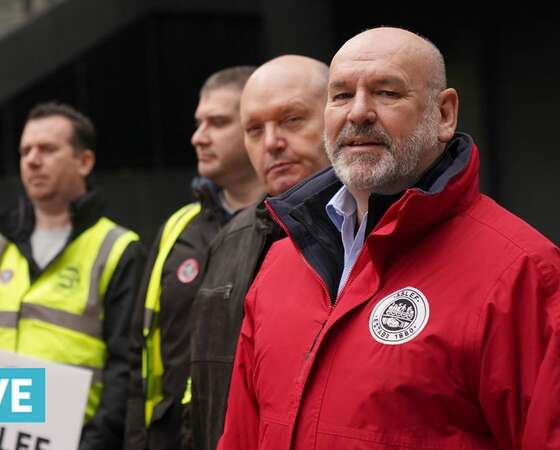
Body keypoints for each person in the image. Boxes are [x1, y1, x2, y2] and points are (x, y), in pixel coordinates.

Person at [219, 27, 560, 450]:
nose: (358, 113)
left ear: (445, 114)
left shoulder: (525, 272)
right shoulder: (281, 263)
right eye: (341, 96)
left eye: (386, 93)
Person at [189, 55, 331, 450]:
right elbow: (199, 394)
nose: (272, 143)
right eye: (254, 129)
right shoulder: (229, 240)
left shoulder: (378, 237)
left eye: (292, 120)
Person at [0, 102, 145, 450]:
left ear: (84, 162)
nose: (32, 160)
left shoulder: (117, 248)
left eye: (47, 149)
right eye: (25, 150)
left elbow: (127, 368)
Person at [124, 66, 264, 450]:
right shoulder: (177, 229)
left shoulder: (293, 226)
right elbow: (140, 356)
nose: (198, 137)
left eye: (216, 123)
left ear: (255, 125)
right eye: (198, 123)